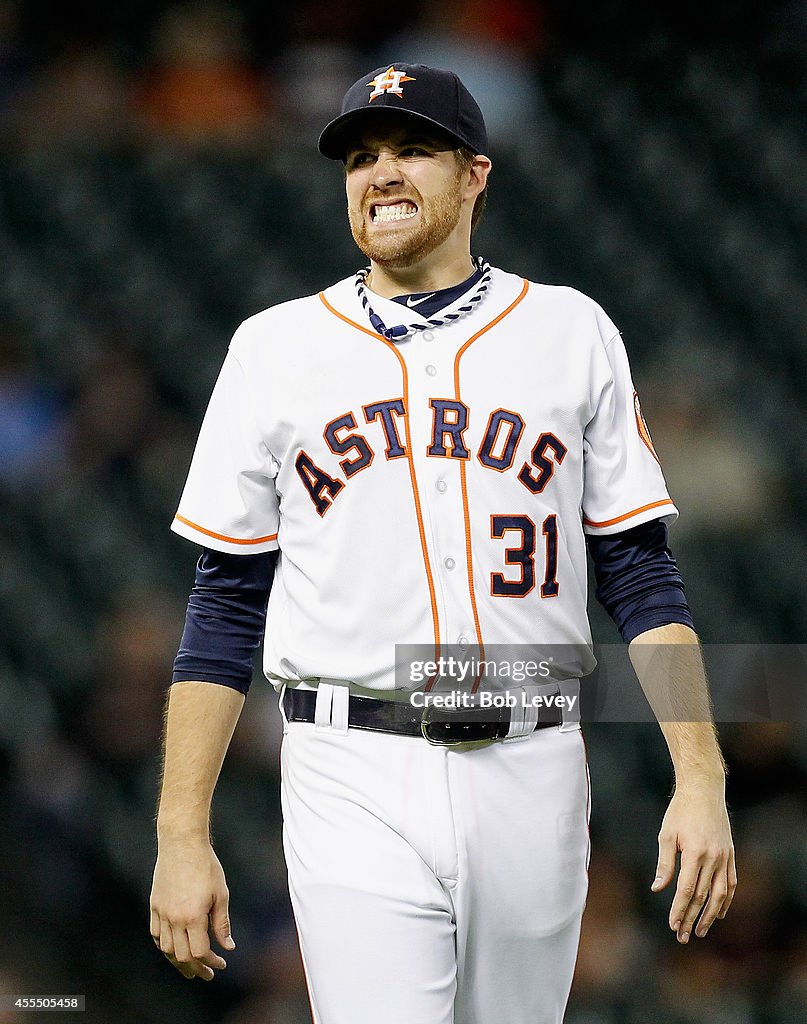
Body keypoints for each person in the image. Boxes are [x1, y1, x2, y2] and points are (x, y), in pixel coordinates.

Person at [149, 63, 737, 1024]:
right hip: (350, 766)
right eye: (361, 157)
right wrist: (181, 835)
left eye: (413, 150)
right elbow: (221, 608)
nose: (380, 173)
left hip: (532, 762)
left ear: (474, 175)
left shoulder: (569, 329)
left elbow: (639, 574)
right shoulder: (273, 348)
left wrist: (699, 778)